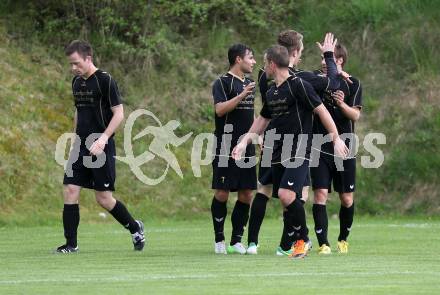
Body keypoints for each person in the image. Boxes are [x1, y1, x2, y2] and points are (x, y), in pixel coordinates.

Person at [233, 43, 348, 259]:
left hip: (299, 149)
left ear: (272, 64)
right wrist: (243, 142)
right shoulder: (272, 90)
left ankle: (302, 240)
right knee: (283, 197)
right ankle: (300, 240)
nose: (262, 66)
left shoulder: (299, 85)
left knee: (286, 195)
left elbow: (321, 111)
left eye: (265, 62)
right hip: (278, 151)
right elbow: (263, 119)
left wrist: (336, 139)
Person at [57, 40, 145, 253]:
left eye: (77, 63)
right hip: (81, 145)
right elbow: (79, 111)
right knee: (70, 189)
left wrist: (103, 139)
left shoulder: (105, 80)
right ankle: (71, 244)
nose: (73, 68)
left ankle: (135, 228)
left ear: (88, 58)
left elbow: (119, 113)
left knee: (103, 199)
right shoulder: (76, 83)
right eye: (71, 64)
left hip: (101, 146)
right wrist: (74, 138)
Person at [310, 43, 363, 254]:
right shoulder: (316, 79)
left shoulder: (353, 83)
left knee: (346, 198)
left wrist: (341, 105)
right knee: (320, 194)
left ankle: (343, 238)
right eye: (323, 58)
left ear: (339, 60)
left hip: (345, 148)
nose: (323, 62)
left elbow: (356, 116)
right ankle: (323, 243)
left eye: (327, 58)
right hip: (320, 146)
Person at [211, 43, 257, 254]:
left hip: (246, 146)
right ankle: (219, 239)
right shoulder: (222, 82)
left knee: (247, 193)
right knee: (222, 192)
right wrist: (240, 96)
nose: (253, 62)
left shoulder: (249, 83)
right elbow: (220, 110)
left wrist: (259, 135)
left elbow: (252, 115)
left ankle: (236, 240)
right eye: (250, 57)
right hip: (225, 145)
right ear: (238, 59)